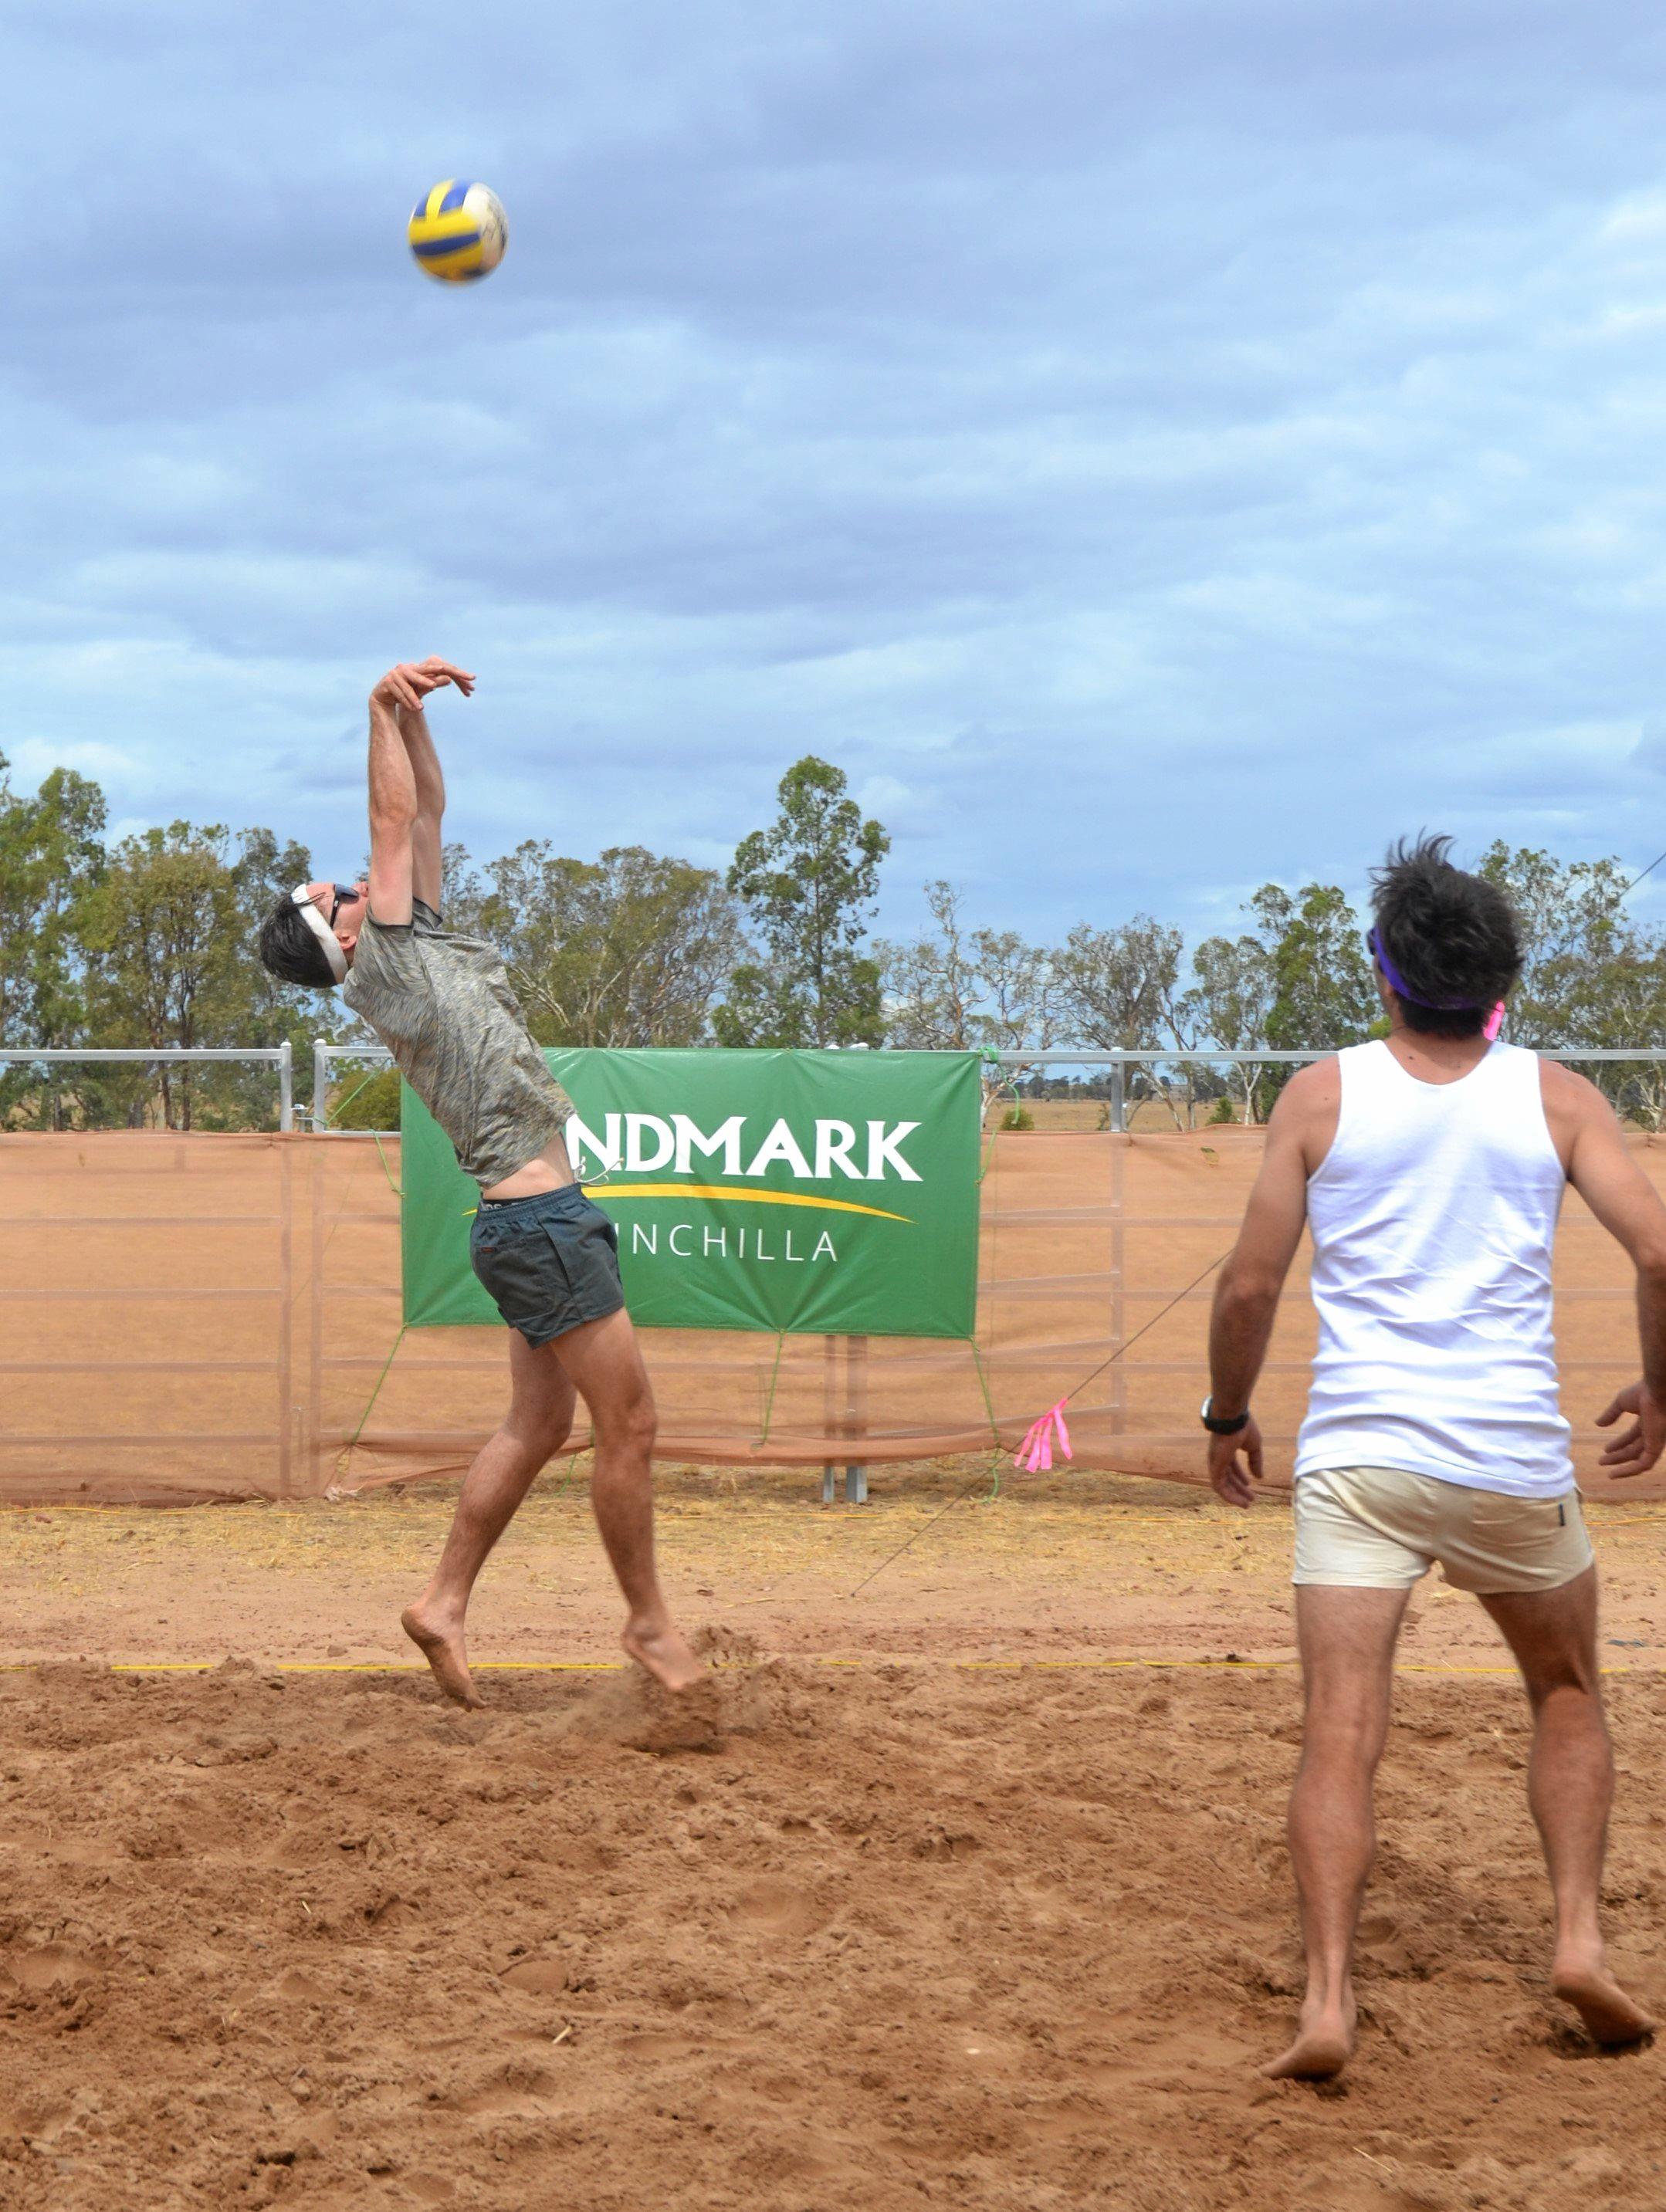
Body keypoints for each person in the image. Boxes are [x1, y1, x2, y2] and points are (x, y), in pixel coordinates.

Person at [1204, 834, 1661, 2080]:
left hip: (1360, 1458)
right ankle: (1576, 1940)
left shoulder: (1319, 1095)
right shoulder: (1558, 1096)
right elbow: (1661, 1251)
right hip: (1511, 1457)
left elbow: (1250, 1282)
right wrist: (1662, 1388)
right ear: (1501, 980)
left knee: (1339, 1730)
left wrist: (1224, 1415)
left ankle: (1328, 2003)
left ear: (1382, 972)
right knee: (1566, 1692)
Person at [258, 657, 703, 1708]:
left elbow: (423, 809)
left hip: (529, 1224)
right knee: (629, 1426)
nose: (357, 879)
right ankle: (647, 1623)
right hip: (540, 1223)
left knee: (540, 1426)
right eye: (339, 891)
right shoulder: (384, 962)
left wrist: (412, 720)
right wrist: (373, 705)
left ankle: (442, 1603)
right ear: (340, 938)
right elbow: (388, 818)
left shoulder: (422, 943)